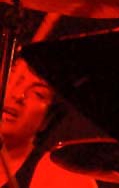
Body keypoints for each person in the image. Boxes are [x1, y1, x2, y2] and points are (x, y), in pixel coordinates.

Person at [1, 59, 96, 188]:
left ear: (47, 119)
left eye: (38, 93)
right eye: (12, 79)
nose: (18, 95)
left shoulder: (62, 177)